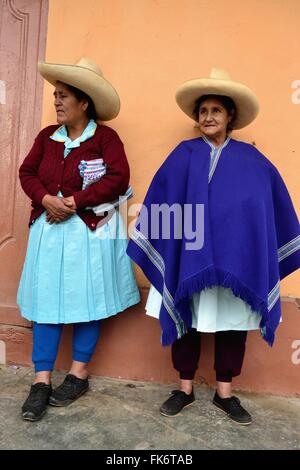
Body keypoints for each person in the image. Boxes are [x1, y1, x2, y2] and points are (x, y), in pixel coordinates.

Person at [127, 68, 300, 425]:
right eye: (203, 111)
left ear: (230, 117)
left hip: (237, 262)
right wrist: (160, 239)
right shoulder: (183, 154)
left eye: (216, 111)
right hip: (188, 255)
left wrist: (248, 245)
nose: (208, 117)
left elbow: (267, 209)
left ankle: (225, 393)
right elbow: (164, 200)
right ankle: (184, 388)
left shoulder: (253, 162)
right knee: (185, 318)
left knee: (233, 324)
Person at [18, 58, 140, 421]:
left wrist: (75, 201)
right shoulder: (46, 138)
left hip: (89, 231)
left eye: (64, 96)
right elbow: (27, 172)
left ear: (84, 102)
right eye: (55, 95)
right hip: (49, 230)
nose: (56, 101)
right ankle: (41, 381)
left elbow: (118, 178)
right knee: (46, 301)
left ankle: (78, 374)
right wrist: (45, 199)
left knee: (88, 299)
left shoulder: (105, 138)